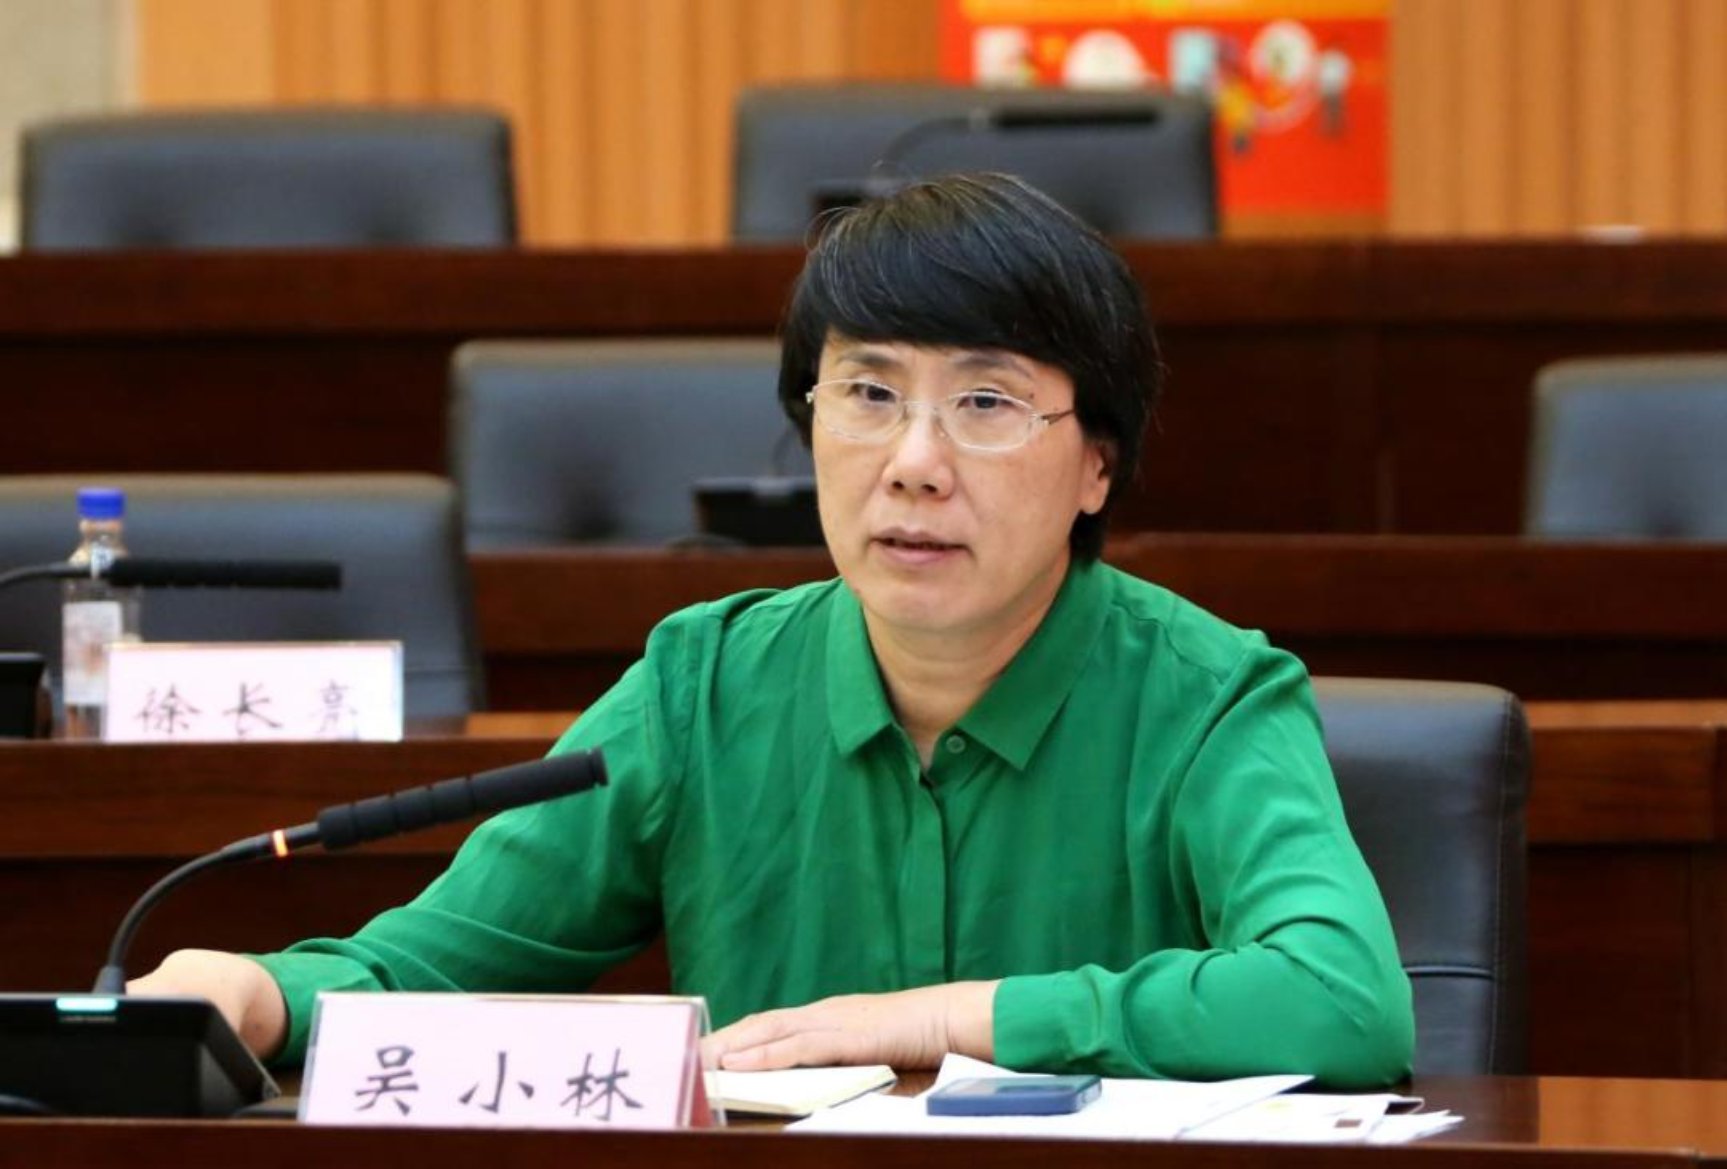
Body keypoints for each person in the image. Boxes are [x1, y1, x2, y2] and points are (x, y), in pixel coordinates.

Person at [133, 173, 1414, 1086]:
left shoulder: (1208, 695)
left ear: (1095, 464)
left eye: (984, 402)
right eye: (866, 393)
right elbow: (441, 964)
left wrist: (949, 1019)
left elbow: (1340, 1000)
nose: (911, 462)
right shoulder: (699, 685)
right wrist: (259, 991)